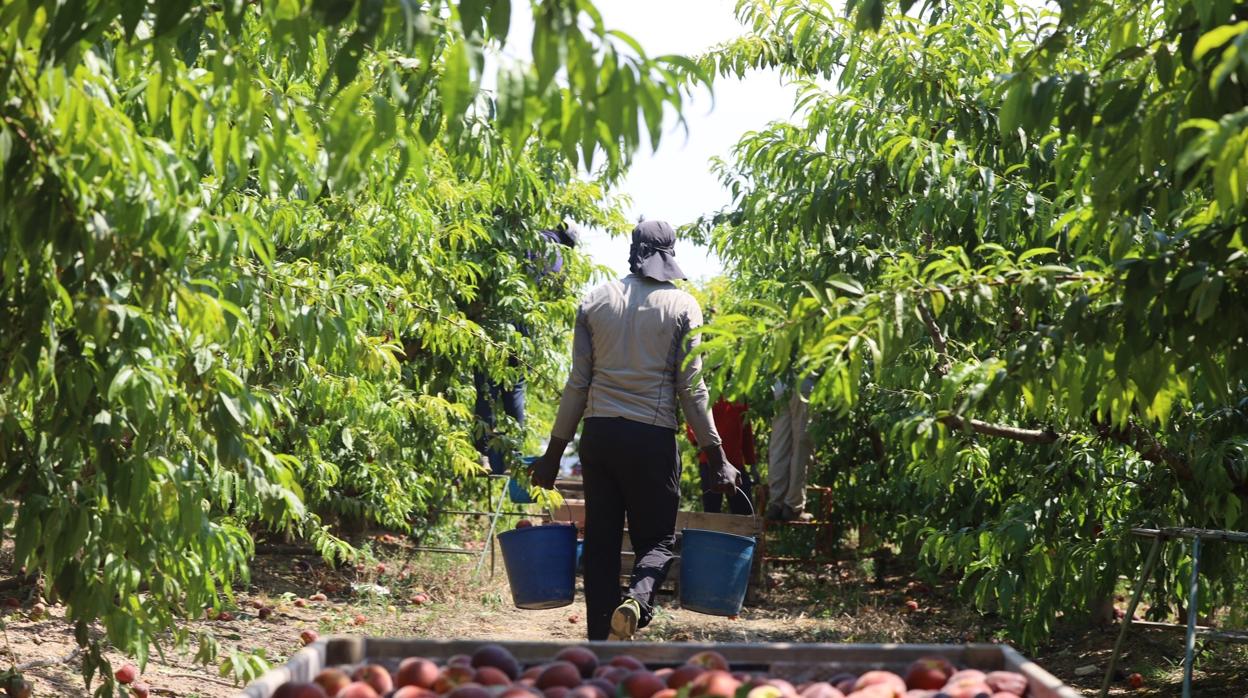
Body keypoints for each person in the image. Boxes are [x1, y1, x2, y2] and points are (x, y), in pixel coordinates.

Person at [530, 220, 739, 642]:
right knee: (659, 540)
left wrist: (553, 454)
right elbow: (691, 388)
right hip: (651, 438)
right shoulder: (683, 306)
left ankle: (596, 646)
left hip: (600, 436)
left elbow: (578, 383)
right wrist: (718, 457)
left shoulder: (594, 300)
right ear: (669, 254)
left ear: (633, 250)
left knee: (603, 544)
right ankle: (637, 601)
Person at [473, 223, 579, 474]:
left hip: (495, 318)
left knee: (487, 388)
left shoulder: (525, 235)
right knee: (515, 390)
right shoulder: (558, 257)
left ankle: (483, 455)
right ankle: (514, 454)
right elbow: (552, 294)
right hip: (523, 326)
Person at [686, 397, 757, 515]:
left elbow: (746, 431)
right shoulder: (708, 391)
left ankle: (740, 534)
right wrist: (697, 441)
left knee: (744, 512)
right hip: (711, 462)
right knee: (711, 512)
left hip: (736, 463)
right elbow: (693, 419)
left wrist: (751, 463)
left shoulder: (739, 395)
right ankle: (711, 534)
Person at [766, 377, 814, 522]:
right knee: (801, 446)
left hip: (782, 382)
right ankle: (794, 506)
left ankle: (776, 503)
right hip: (805, 381)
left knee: (780, 444)